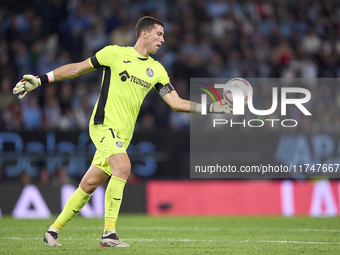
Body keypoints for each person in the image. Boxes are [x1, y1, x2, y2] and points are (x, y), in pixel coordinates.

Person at [13, 16, 231, 248]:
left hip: (123, 136)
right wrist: (41, 79)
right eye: (159, 34)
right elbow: (77, 68)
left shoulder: (157, 70)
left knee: (88, 184)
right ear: (144, 34)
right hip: (103, 124)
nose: (163, 40)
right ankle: (109, 234)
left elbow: (175, 103)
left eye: (164, 36)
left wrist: (209, 107)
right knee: (124, 167)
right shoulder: (114, 53)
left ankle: (52, 231)